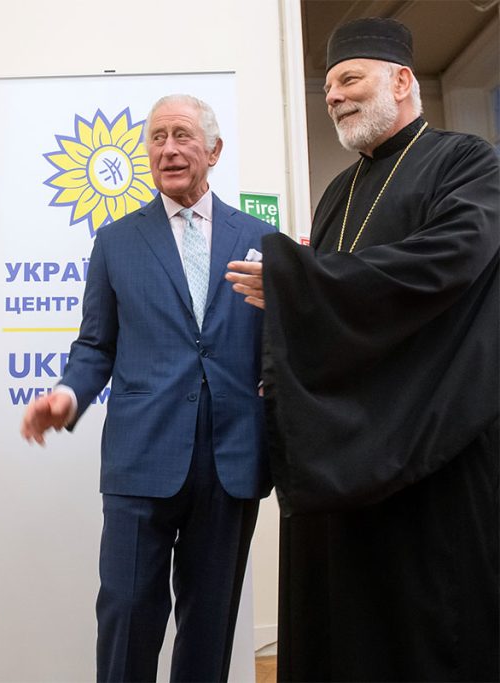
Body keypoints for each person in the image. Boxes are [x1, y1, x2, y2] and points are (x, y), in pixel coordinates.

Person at [226, 17, 499, 682]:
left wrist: (299, 281)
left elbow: (449, 263)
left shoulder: (467, 161)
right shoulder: (336, 193)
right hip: (344, 443)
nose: (334, 96)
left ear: (402, 81)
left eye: (349, 79)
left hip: (435, 439)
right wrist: (290, 321)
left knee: (433, 621)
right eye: (327, 88)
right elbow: (328, 310)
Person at [20, 94, 275, 682]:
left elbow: (279, 343)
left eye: (182, 135)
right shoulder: (116, 242)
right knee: (128, 612)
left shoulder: (262, 238)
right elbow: (95, 346)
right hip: (142, 455)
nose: (168, 150)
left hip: (232, 457)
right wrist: (67, 396)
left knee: (210, 622)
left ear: (214, 150)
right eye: (157, 138)